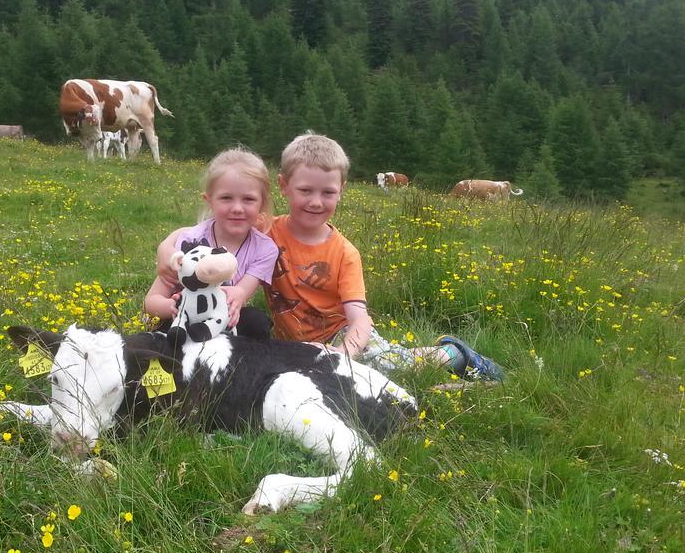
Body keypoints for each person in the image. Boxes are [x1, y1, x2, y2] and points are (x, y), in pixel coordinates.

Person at [158, 134, 504, 381]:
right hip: (293, 342)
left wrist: (346, 354)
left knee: (389, 368)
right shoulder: (266, 230)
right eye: (305, 190)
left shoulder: (344, 253)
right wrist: (166, 251)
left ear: (342, 191)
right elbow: (199, 230)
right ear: (283, 187)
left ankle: (453, 353)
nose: (315, 201)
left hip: (343, 339)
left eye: (328, 192)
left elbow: (360, 319)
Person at [145, 148, 279, 339]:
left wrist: (237, 295)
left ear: (262, 203)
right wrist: (173, 307)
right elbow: (151, 301)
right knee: (157, 339)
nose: (237, 208)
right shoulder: (190, 241)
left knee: (256, 321)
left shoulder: (265, 249)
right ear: (209, 200)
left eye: (248, 199)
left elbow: (240, 293)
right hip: (181, 323)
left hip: (224, 322)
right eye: (226, 198)